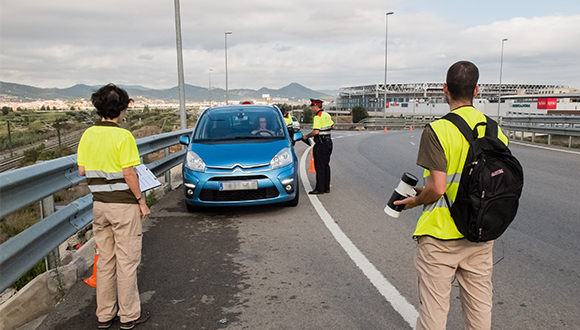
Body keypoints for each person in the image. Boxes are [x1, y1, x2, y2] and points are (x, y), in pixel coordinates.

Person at [394, 61, 508, 330]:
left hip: (440, 236)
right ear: (476, 90)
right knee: (479, 310)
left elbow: (438, 188)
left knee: (434, 313)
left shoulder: (437, 130)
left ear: (445, 89)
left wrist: (415, 200)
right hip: (480, 231)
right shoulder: (495, 130)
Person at [77, 84, 151, 330]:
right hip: (123, 206)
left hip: (100, 205)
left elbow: (82, 170)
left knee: (106, 260)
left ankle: (104, 315)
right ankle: (129, 315)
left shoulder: (88, 135)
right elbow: (129, 174)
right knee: (127, 261)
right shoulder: (123, 136)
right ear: (122, 107)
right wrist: (141, 201)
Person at [303, 98, 334, 194]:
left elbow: (316, 131)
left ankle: (319, 189)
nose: (312, 108)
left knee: (319, 167)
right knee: (326, 165)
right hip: (328, 143)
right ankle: (326, 187)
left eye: (312, 106)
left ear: (316, 106)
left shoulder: (318, 117)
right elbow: (333, 126)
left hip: (321, 144)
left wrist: (307, 136)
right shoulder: (326, 115)